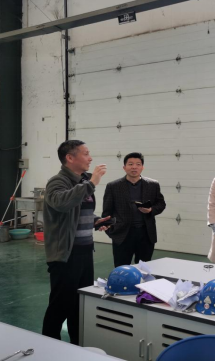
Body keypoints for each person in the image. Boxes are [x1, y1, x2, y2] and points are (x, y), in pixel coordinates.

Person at [42, 140, 111, 345]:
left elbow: (77, 211)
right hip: (65, 254)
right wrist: (92, 183)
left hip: (84, 251)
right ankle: (48, 345)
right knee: (61, 305)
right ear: (70, 158)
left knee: (80, 304)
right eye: (86, 153)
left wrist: (95, 221)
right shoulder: (58, 182)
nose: (90, 158)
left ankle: (77, 346)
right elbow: (62, 203)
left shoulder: (83, 180)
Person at [102, 152, 166, 267]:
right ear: (124, 167)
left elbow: (161, 204)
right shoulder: (113, 186)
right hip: (122, 234)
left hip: (146, 234)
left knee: (144, 268)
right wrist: (112, 232)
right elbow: (107, 212)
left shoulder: (153, 185)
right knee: (121, 268)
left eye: (138, 164)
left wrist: (151, 210)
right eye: (130, 164)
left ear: (142, 167)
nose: (134, 167)